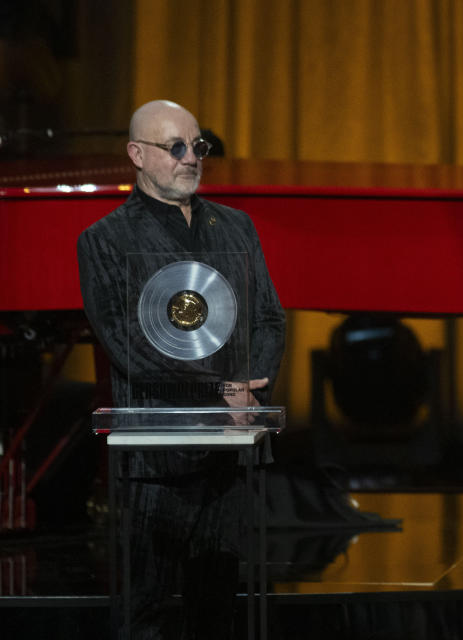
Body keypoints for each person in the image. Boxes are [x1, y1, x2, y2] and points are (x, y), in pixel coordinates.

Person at [77, 99, 285, 639]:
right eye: (175, 148)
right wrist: (223, 390)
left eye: (198, 146)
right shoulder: (105, 241)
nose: (191, 157)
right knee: (143, 612)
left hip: (230, 452)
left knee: (216, 611)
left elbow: (268, 318)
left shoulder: (236, 227)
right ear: (137, 155)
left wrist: (250, 389)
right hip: (156, 458)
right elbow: (131, 347)